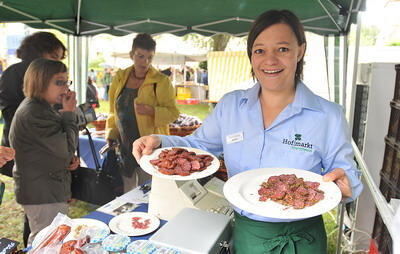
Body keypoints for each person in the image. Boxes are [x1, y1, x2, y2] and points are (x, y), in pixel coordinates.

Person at [133, 10, 363, 254]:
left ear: (301, 51)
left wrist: (348, 183)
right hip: (248, 234)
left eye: (282, 49)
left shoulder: (328, 115)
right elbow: (197, 147)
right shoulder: (232, 106)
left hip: (303, 239)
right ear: (251, 55)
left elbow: (345, 170)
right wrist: (158, 142)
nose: (270, 60)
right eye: (260, 50)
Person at [9, 58, 79, 245]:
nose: (65, 88)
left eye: (66, 81)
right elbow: (66, 147)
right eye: (59, 82)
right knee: (46, 242)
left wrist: (69, 159)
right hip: (42, 192)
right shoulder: (35, 113)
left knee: (51, 239)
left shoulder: (40, 108)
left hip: (46, 188)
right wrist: (69, 113)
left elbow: (57, 150)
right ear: (39, 82)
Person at [106, 33, 179, 193]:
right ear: (132, 55)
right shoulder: (120, 78)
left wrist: (152, 111)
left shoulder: (161, 81)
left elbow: (173, 113)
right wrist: (112, 134)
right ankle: (130, 216)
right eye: (140, 56)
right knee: (128, 189)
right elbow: (113, 109)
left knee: (151, 190)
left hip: (150, 147)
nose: (144, 62)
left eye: (149, 57)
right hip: (125, 145)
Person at [0, 31, 66, 177]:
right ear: (37, 52)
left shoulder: (52, 76)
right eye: (54, 57)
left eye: (60, 59)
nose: (58, 63)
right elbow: (11, 112)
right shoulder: (14, 73)